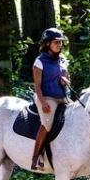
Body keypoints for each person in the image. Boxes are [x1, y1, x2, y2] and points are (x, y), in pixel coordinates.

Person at [31, 27, 71, 170]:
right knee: (47, 124)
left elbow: (67, 77)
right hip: (47, 97)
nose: (59, 45)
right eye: (56, 42)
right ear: (47, 43)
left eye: (60, 43)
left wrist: (65, 80)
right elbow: (37, 86)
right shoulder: (39, 62)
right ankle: (36, 156)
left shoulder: (63, 60)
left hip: (62, 97)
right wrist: (43, 103)